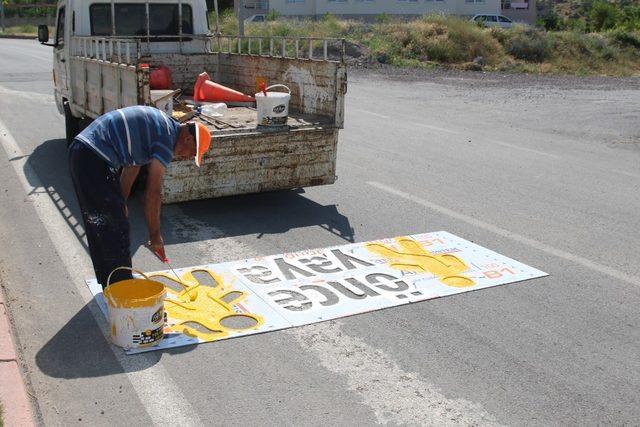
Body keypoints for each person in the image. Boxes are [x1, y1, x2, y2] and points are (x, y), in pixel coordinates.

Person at [68, 105, 211, 289]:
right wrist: (155, 235)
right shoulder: (166, 140)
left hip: (84, 154)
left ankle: (113, 284)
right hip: (92, 157)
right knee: (113, 228)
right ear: (188, 138)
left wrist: (122, 201)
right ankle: (121, 287)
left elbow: (132, 166)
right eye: (192, 153)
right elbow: (153, 193)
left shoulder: (162, 127)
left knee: (108, 225)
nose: (188, 157)